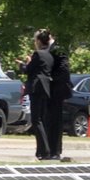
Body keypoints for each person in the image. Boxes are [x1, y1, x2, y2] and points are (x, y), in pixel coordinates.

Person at [23, 30, 65, 161]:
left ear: (39, 41)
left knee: (37, 120)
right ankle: (44, 150)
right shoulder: (49, 55)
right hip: (45, 89)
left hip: (37, 88)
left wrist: (24, 64)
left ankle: (44, 150)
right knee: (40, 119)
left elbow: (28, 70)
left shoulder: (38, 54)